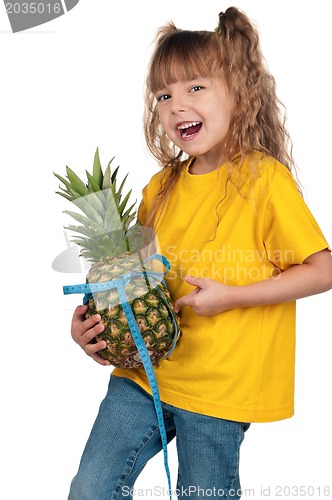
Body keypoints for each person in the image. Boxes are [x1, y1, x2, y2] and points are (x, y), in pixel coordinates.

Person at [67, 7, 332, 500]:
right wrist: (93, 328)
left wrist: (233, 295)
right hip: (144, 373)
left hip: (220, 389)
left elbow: (321, 270)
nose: (176, 105)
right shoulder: (158, 188)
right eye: (164, 95)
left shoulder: (264, 180)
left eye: (195, 88)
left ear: (239, 91)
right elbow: (132, 281)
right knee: (90, 489)